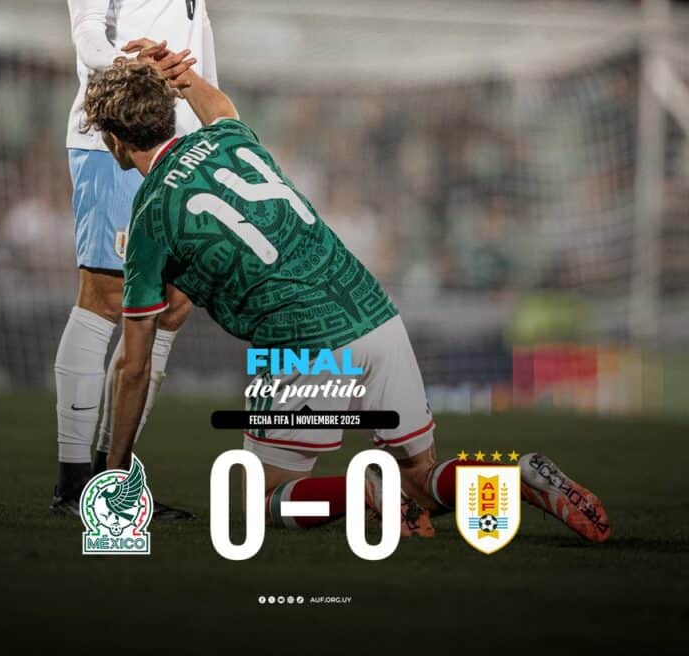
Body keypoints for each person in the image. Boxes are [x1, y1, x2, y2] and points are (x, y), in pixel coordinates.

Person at [81, 60, 611, 543]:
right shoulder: (229, 138)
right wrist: (179, 72)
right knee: (423, 481)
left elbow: (133, 365)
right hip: (371, 309)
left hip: (303, 343)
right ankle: (515, 477)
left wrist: (116, 470)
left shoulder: (150, 218)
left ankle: (365, 493)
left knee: (263, 500)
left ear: (114, 138)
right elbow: (219, 106)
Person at [52, 0, 217, 516]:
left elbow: (195, 16)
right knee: (111, 295)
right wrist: (139, 66)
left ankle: (117, 475)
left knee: (175, 303)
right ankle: (73, 481)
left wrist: (209, 113)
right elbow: (88, 36)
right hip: (116, 133)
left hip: (181, 136)